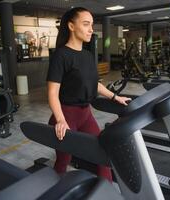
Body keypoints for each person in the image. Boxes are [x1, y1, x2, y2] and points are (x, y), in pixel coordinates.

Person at [46, 7, 131, 182]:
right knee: (64, 160)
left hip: (85, 114)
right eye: (86, 24)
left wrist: (115, 97)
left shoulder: (87, 55)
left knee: (102, 154)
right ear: (71, 26)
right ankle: (54, 191)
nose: (91, 29)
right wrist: (61, 120)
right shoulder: (61, 55)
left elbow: (95, 84)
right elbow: (52, 93)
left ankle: (105, 191)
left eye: (92, 25)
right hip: (66, 115)